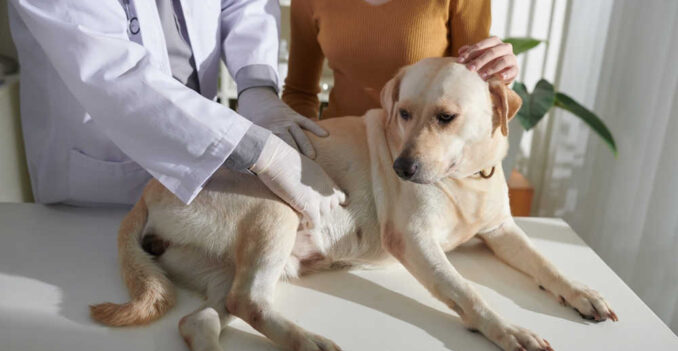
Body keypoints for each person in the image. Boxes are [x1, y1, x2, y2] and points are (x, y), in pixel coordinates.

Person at [8, 0, 344, 226]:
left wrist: (257, 86)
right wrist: (256, 150)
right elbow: (113, 73)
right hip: (98, 196)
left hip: (203, 180)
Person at [282, 0, 519, 120]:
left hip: (419, 164)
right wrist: (309, 153)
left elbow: (475, 87)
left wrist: (500, 74)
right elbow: (299, 93)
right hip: (341, 159)